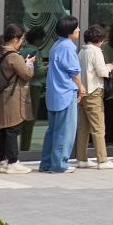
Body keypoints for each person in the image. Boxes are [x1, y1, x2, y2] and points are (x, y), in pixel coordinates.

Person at [36, 16, 82, 173]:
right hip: (66, 92)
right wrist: (80, 87)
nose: (78, 30)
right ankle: (59, 165)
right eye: (76, 27)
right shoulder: (68, 47)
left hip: (54, 93)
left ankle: (46, 163)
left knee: (53, 130)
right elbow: (74, 72)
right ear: (69, 31)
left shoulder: (56, 45)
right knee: (65, 131)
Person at [0, 26, 33, 172]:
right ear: (15, 39)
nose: (22, 42)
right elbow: (26, 74)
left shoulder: (1, 52)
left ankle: (1, 161)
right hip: (13, 97)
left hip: (3, 95)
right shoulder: (14, 56)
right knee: (13, 129)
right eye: (22, 39)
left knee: (3, 129)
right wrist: (29, 63)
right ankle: (13, 161)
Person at [74, 22, 113, 170]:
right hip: (94, 91)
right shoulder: (96, 52)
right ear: (100, 39)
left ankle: (81, 158)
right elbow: (102, 72)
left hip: (82, 92)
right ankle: (102, 160)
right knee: (98, 128)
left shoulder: (81, 51)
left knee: (83, 128)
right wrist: (109, 67)